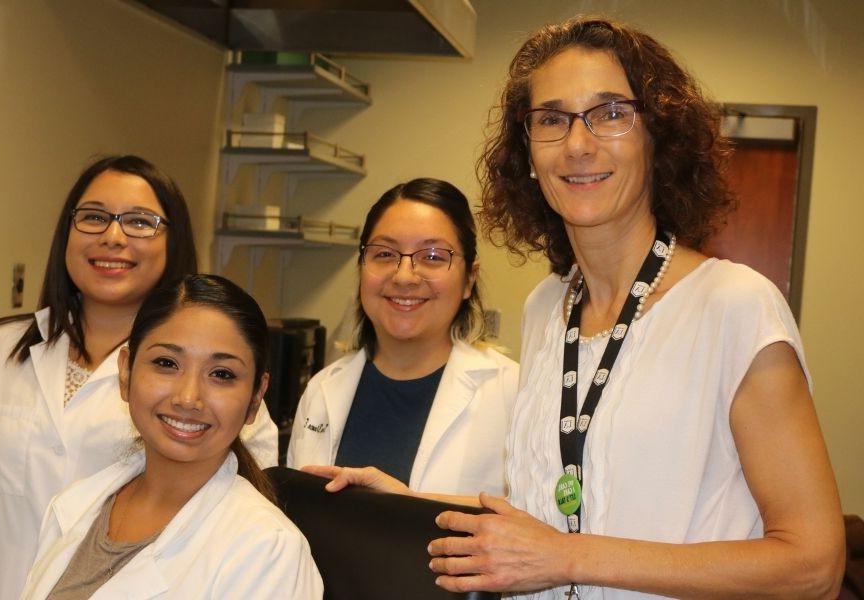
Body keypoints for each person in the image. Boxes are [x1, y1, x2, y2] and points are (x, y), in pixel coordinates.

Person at [308, 17, 844, 599]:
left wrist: (568, 558)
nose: (578, 143)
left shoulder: (734, 308)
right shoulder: (549, 307)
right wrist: (408, 500)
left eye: (612, 113)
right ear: (529, 154)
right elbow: (552, 509)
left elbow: (812, 566)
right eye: (552, 119)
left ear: (657, 137)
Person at [0, 156, 280, 600]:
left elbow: (243, 505)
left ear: (175, 242)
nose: (113, 237)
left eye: (140, 222)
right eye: (93, 217)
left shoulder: (206, 379)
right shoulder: (1, 349)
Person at [19, 274, 323, 599]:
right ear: (126, 372)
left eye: (222, 374)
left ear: (255, 397)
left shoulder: (267, 551)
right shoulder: (75, 506)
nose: (188, 397)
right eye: (166, 363)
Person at [287, 178, 519, 496]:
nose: (405, 276)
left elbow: (533, 522)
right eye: (384, 254)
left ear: (469, 280)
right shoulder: (321, 390)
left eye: (433, 256)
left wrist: (408, 505)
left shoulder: (514, 393)